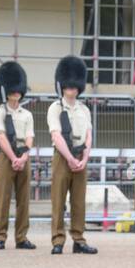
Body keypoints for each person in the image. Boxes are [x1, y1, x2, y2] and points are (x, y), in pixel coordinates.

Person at [47, 55, 97, 255]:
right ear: (62, 85)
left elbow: (88, 135)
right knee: (58, 200)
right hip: (63, 156)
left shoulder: (84, 109)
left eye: (75, 85)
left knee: (78, 201)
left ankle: (79, 238)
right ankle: (58, 239)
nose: (72, 88)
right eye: (68, 85)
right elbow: (56, 135)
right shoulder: (55, 108)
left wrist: (84, 158)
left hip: (79, 156)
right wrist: (69, 158)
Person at [0, 60, 35, 251]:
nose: (16, 93)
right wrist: (13, 158)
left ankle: (21, 237)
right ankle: (0, 236)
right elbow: (0, 136)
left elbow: (30, 137)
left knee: (23, 199)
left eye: (18, 90)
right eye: (12, 89)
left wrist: (23, 157)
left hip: (22, 156)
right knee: (3, 198)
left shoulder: (27, 114)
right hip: (6, 157)